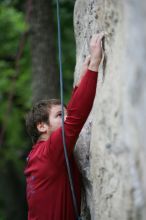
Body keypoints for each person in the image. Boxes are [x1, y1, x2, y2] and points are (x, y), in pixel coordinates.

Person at [24, 33, 104, 220]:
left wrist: (81, 82)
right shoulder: (50, 152)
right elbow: (75, 119)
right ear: (42, 127)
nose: (66, 118)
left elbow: (71, 116)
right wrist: (94, 65)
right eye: (59, 115)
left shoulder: (40, 154)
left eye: (65, 113)